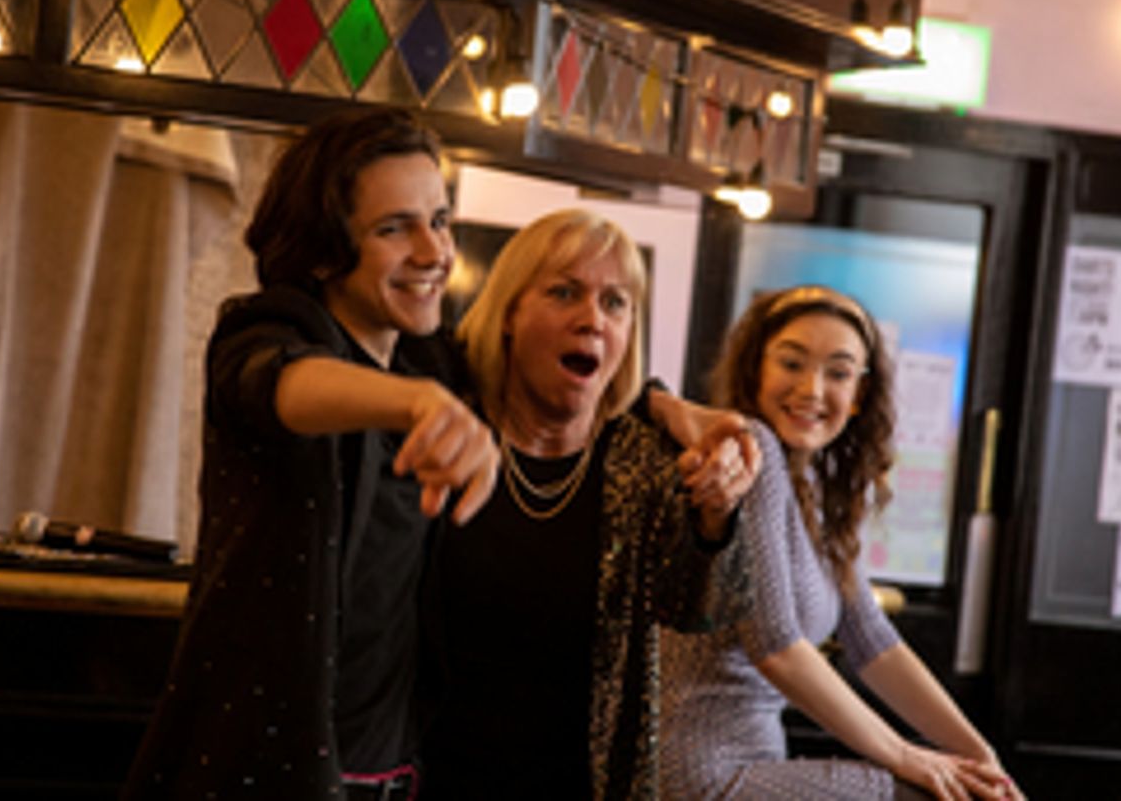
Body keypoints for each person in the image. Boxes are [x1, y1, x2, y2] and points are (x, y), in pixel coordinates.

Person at [123, 108, 501, 800]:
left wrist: (664, 403)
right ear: (326, 250)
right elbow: (283, 382)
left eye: (439, 220)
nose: (433, 251)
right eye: (395, 228)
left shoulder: (433, 362)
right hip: (263, 777)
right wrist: (412, 403)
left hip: (397, 778)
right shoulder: (265, 328)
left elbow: (556, 374)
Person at [418, 209, 755, 800]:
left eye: (615, 303)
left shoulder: (642, 455)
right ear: (509, 315)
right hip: (430, 776)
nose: (592, 320)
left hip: (581, 785)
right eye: (564, 292)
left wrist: (714, 518)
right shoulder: (447, 423)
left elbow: (700, 610)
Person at [659, 286, 1023, 801]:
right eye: (791, 362)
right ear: (753, 370)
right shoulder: (751, 452)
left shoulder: (815, 487)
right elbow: (776, 648)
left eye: (838, 371)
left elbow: (871, 640)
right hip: (699, 774)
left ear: (859, 395)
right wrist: (909, 757)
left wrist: (984, 759)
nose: (812, 389)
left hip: (751, 764)